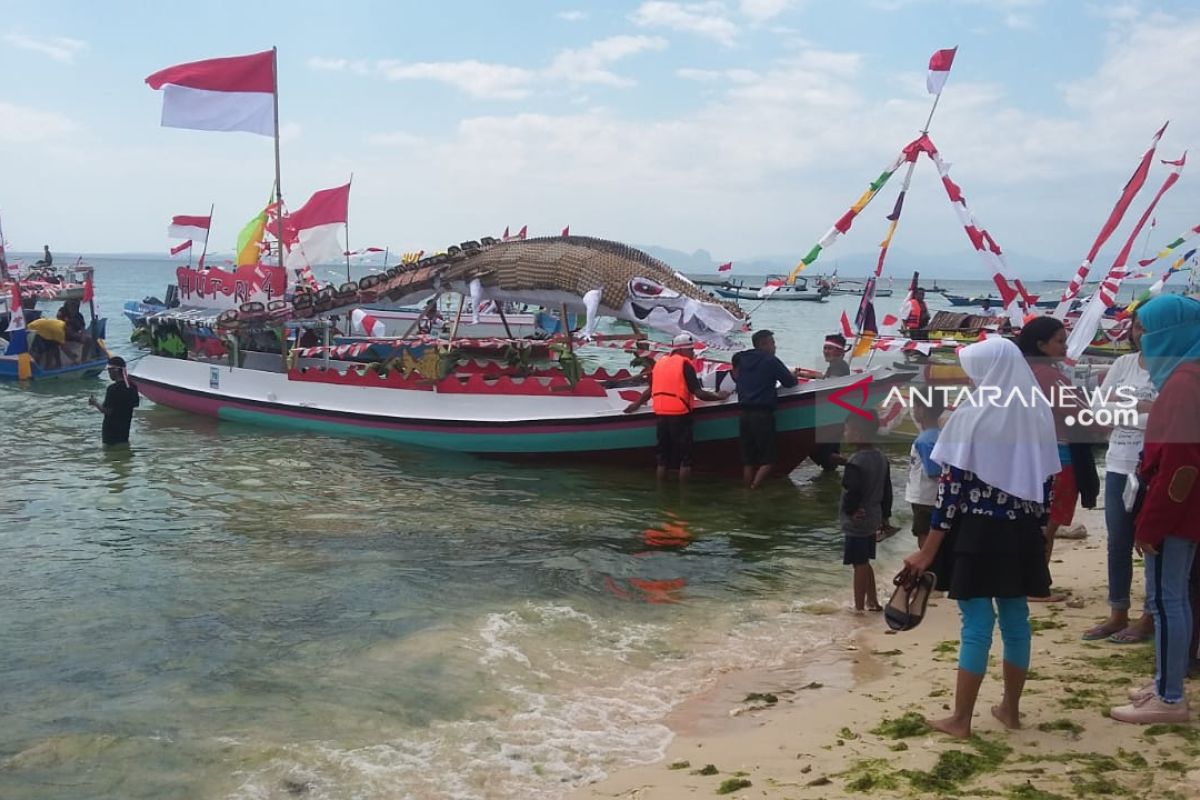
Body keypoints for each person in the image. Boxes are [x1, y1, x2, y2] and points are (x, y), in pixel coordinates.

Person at [896, 337, 1061, 738]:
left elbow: (950, 494)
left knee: (976, 624)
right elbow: (1047, 485)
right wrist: (1038, 534)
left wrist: (927, 552)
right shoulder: (1036, 411)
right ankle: (1011, 710)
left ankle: (961, 719)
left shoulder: (971, 416)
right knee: (1016, 619)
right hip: (1021, 532)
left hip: (977, 531)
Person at [1111, 295, 1200, 724]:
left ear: (1170, 333)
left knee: (1168, 600)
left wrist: (1151, 524)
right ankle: (1164, 681)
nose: (1140, 339)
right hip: (1178, 506)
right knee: (1171, 597)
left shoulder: (1185, 383)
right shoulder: (1185, 376)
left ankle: (1170, 697)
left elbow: (1181, 466)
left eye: (1148, 331)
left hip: (1176, 511)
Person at [1083, 313, 1156, 643]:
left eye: (1150, 328)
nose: (1143, 333)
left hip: (1154, 469)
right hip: (1118, 463)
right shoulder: (1124, 364)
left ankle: (1149, 616)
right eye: (1139, 326)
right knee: (1118, 542)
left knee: (1154, 543)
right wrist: (1144, 407)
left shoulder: (1174, 367)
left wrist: (1123, 406)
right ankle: (1117, 612)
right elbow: (1098, 412)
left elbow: (1169, 416)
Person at [1017, 316, 1088, 602]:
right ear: (1041, 344)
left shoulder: (1021, 372)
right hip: (1058, 457)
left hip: (1029, 455)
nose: (1066, 346)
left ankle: (1029, 581)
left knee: (1036, 522)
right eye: (1060, 341)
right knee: (1048, 525)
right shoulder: (1048, 376)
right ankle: (1036, 585)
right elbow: (1081, 415)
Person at [624, 333, 729, 481]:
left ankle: (662, 492)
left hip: (661, 416)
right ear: (681, 350)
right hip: (680, 416)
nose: (693, 353)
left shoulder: (659, 363)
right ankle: (684, 497)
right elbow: (699, 393)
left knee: (662, 459)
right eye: (691, 349)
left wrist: (636, 404)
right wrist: (719, 396)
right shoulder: (685, 364)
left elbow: (650, 390)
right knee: (685, 459)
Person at [840, 411, 893, 612]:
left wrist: (850, 511)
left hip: (858, 520)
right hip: (873, 516)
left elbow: (852, 491)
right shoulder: (881, 457)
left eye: (847, 430)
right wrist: (885, 516)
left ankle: (859, 607)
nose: (844, 433)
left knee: (859, 563)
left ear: (859, 434)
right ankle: (873, 601)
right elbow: (887, 489)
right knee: (865, 560)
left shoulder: (855, 461)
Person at [733, 329, 799, 488]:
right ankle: (754, 489)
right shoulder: (770, 360)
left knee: (748, 461)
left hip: (743, 415)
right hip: (762, 414)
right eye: (772, 343)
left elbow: (736, 376)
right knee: (769, 460)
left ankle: (746, 491)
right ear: (763, 344)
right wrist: (795, 375)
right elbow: (789, 382)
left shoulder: (741, 358)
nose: (774, 346)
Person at [906, 393, 945, 549]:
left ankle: (926, 567)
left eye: (915, 407)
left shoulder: (924, 440)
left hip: (924, 498)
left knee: (923, 535)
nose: (913, 411)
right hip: (935, 497)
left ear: (922, 410)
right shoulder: (941, 435)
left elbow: (933, 470)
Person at [809, 333, 851, 473]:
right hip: (835, 415)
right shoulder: (836, 365)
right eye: (825, 348)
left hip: (831, 416)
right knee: (828, 457)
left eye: (829, 348)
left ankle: (857, 463)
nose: (826, 351)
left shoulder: (838, 366)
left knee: (822, 453)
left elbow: (831, 388)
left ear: (839, 351)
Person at [88, 356, 140, 446]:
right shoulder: (132, 386)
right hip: (124, 432)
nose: (108, 373)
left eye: (109, 370)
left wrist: (95, 403)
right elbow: (135, 404)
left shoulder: (112, 389)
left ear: (115, 370)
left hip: (110, 434)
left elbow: (107, 411)